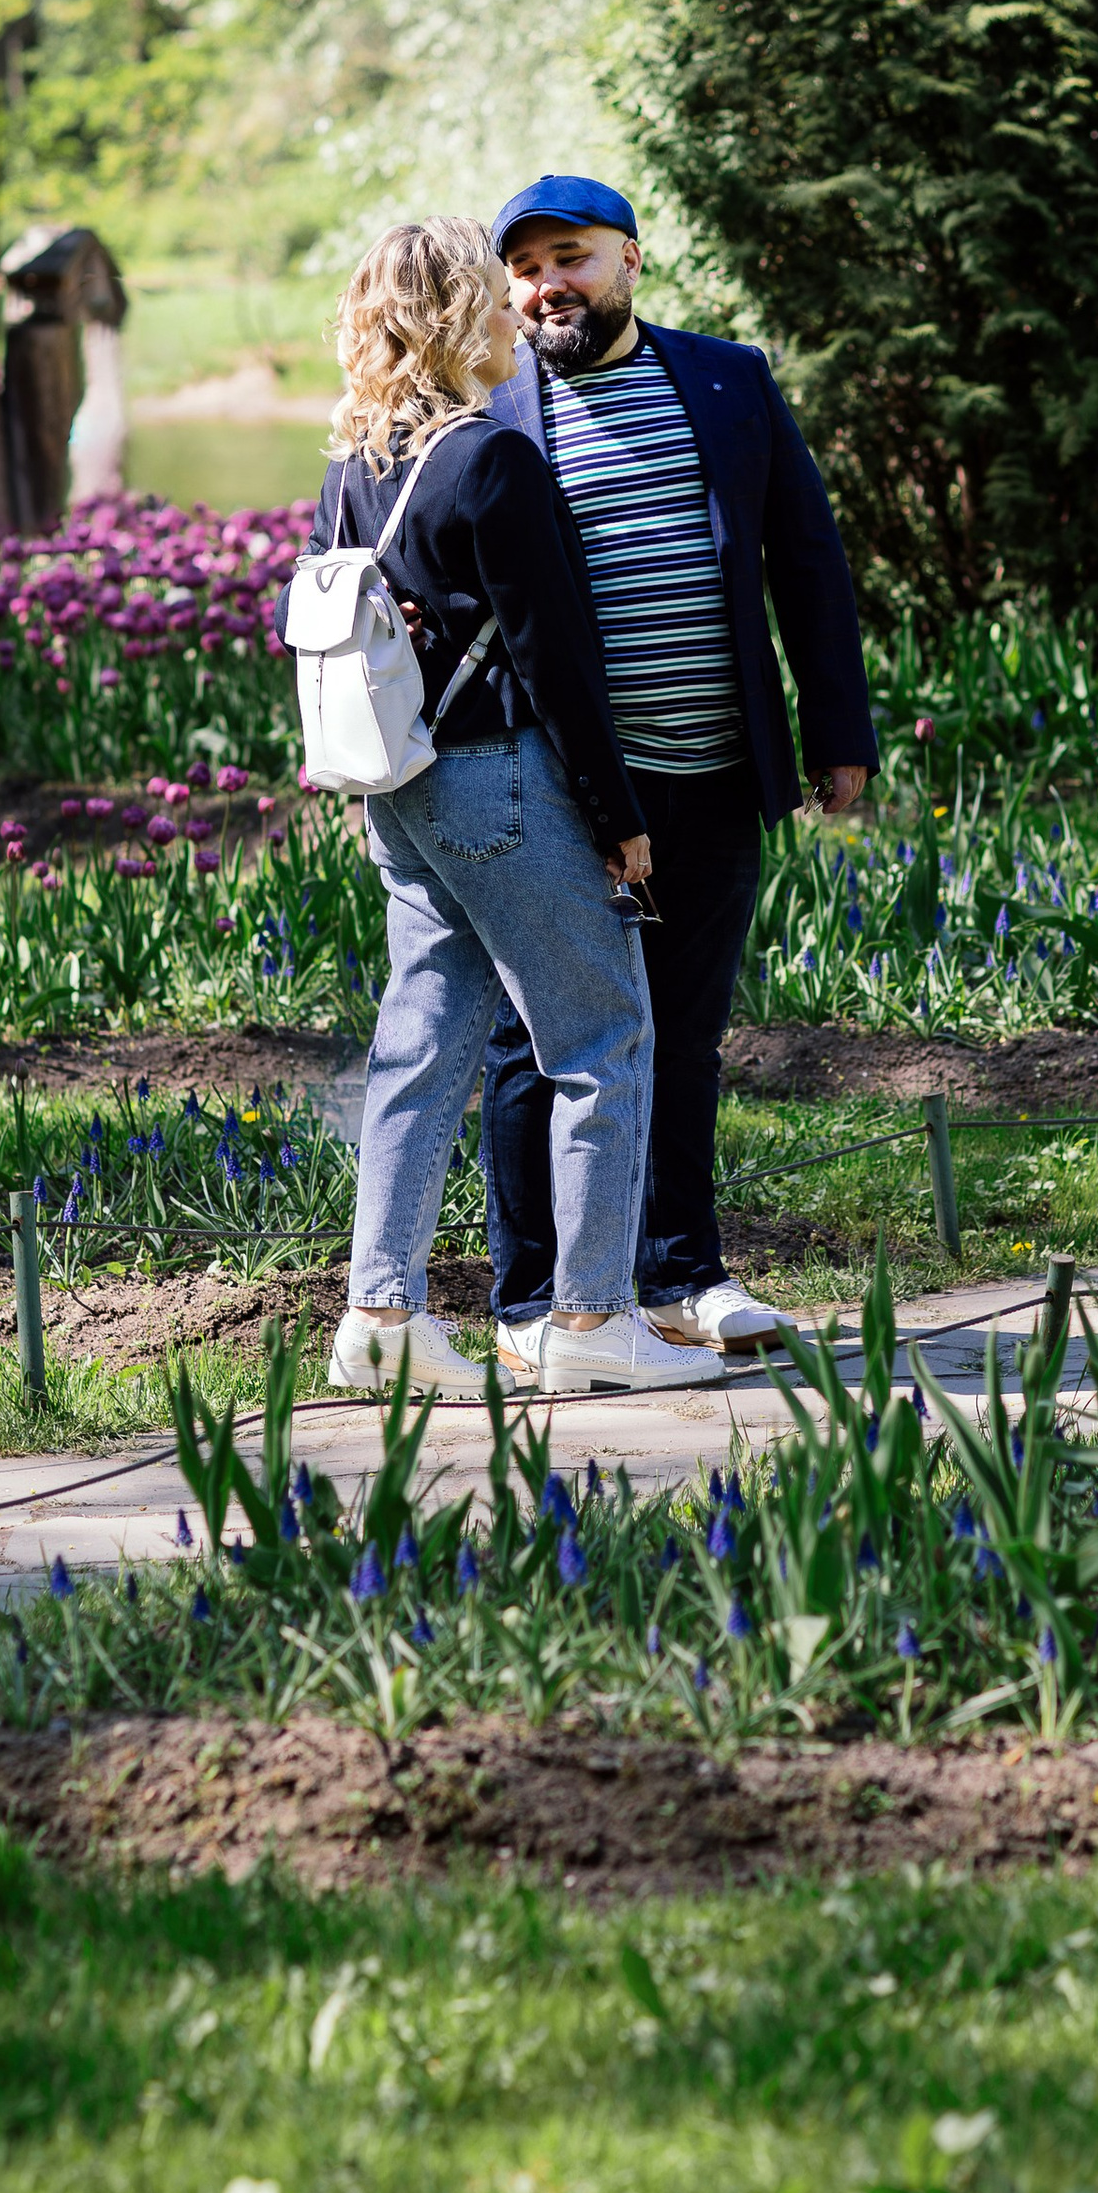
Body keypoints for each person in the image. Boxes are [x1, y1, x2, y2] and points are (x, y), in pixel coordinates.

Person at [308, 214, 725, 1398]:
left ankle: (379, 1318)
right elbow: (557, 661)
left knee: (420, 1048)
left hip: (401, 789)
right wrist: (620, 816)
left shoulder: (355, 462)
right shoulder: (491, 459)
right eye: (492, 296)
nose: (513, 311)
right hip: (501, 781)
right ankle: (592, 1319)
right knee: (602, 1037)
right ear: (456, 316)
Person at [478, 173, 878, 1368]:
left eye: (574, 256)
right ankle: (531, 1299)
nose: (552, 282)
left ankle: (680, 1275)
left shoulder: (728, 379)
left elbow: (807, 559)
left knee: (685, 1032)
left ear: (630, 260)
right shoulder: (490, 400)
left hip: (710, 765)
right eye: (531, 264)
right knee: (536, 1039)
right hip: (556, 778)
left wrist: (837, 731)